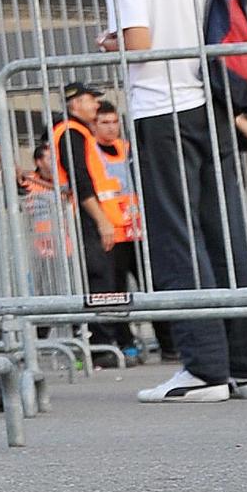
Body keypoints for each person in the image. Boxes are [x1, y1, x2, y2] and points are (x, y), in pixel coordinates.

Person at [101, 0, 247, 404]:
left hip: (161, 108)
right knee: (226, 232)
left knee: (177, 235)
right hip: (213, 105)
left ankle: (204, 369)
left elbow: (141, 46)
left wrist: (110, 41)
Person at [44, 87, 143, 360]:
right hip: (88, 216)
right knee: (99, 281)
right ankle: (101, 345)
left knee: (106, 280)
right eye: (91, 100)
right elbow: (80, 179)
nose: (97, 105)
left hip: (92, 215)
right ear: (76, 103)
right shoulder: (70, 132)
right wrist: (102, 220)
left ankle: (105, 343)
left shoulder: (76, 131)